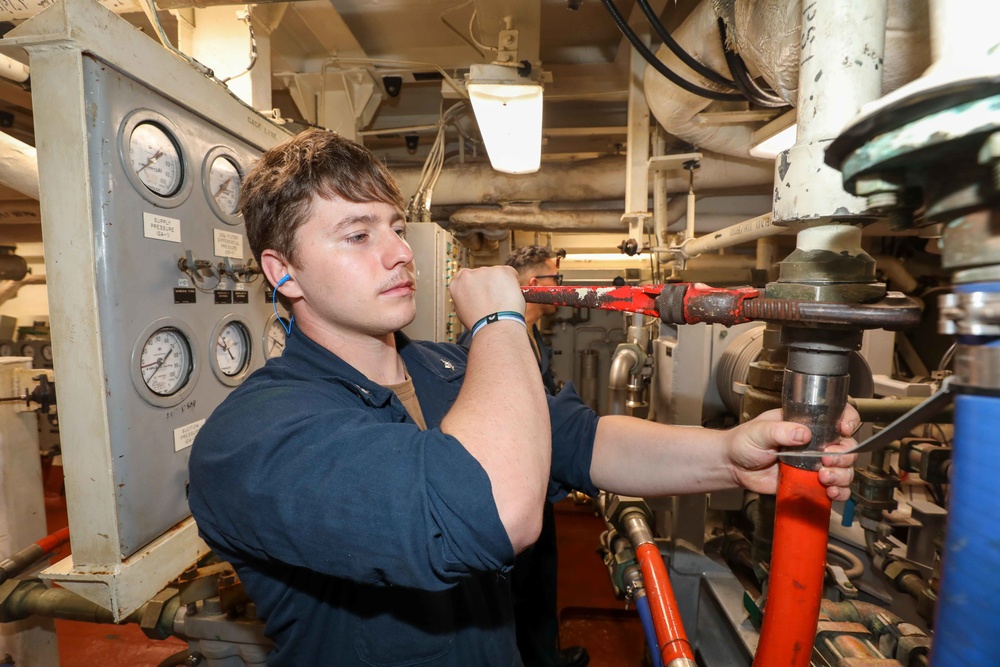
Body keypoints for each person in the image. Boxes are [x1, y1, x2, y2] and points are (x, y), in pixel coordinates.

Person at [187, 128, 859, 667]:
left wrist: (731, 456)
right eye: (359, 234)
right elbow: (495, 512)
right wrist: (500, 322)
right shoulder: (254, 436)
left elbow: (585, 440)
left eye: (395, 226)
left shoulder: (448, 367)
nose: (398, 252)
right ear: (284, 272)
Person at [458, 245, 586, 667]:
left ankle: (545, 655)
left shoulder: (530, 337)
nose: (560, 288)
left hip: (537, 476)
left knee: (541, 582)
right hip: (508, 485)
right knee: (517, 590)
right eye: (554, 280)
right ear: (532, 285)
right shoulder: (484, 340)